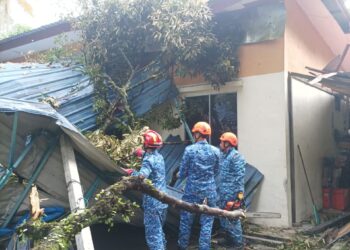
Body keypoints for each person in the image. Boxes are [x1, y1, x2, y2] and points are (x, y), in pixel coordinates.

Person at [177, 121, 220, 250]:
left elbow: (183, 173)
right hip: (209, 192)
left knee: (186, 221)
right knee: (207, 222)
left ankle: (182, 247)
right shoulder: (216, 151)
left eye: (195, 132)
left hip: (192, 191)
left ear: (197, 134)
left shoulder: (189, 150)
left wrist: (179, 174)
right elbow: (216, 171)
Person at [123, 130, 168, 250]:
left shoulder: (148, 160)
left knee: (153, 235)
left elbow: (142, 176)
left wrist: (132, 172)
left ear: (146, 144)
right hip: (163, 200)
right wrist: (139, 153)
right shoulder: (160, 157)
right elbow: (150, 157)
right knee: (159, 231)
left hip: (152, 203)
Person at [217, 132, 246, 249]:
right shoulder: (224, 156)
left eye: (221, 142)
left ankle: (237, 244)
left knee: (233, 220)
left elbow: (240, 179)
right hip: (223, 194)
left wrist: (238, 199)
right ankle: (229, 240)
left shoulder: (236, 157)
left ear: (227, 143)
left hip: (232, 195)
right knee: (224, 218)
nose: (220, 144)